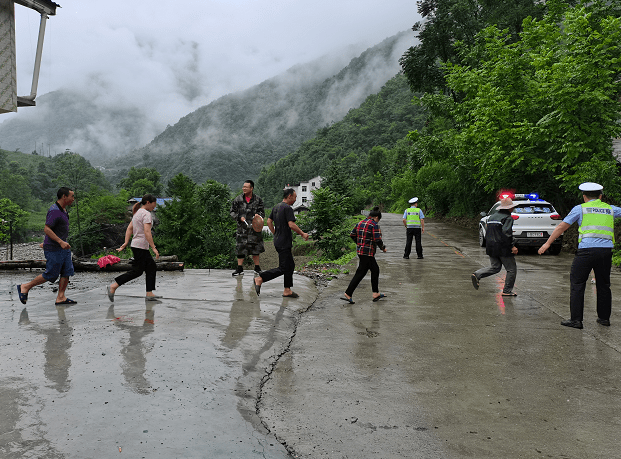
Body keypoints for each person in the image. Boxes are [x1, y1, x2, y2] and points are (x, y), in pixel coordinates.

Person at [538, 182, 621, 329]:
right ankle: (604, 319)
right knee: (604, 285)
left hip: (586, 251)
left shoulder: (580, 209)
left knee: (577, 284)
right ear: (600, 196)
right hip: (605, 252)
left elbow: (562, 226)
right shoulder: (611, 209)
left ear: (584, 197)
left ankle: (576, 320)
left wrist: (547, 244)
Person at [17, 187, 77, 306]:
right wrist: (60, 242)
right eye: (72, 196)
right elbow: (47, 228)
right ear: (64, 196)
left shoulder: (64, 210)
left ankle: (61, 297)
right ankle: (25, 287)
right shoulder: (54, 210)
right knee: (51, 274)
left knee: (67, 271)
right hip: (55, 248)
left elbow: (56, 230)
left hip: (63, 247)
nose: (73, 199)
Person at [253, 188, 308, 297]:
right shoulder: (287, 208)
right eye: (295, 197)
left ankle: (287, 290)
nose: (295, 199)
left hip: (278, 241)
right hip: (284, 242)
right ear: (289, 196)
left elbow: (269, 221)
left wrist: (275, 232)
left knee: (290, 265)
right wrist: (302, 233)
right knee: (283, 267)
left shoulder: (276, 207)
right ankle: (260, 278)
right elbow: (291, 224)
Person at [107, 194, 161, 302]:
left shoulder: (137, 213)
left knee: (151, 267)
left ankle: (149, 293)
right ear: (148, 202)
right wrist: (154, 247)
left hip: (137, 246)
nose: (154, 208)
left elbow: (129, 228)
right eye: (154, 205)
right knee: (138, 271)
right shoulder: (146, 214)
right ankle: (113, 286)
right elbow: (147, 232)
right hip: (140, 246)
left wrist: (126, 242)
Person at [471, 197, 518, 296]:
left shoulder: (492, 217)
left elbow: (488, 232)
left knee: (495, 267)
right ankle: (507, 291)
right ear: (509, 208)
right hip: (503, 247)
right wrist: (512, 246)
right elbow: (506, 233)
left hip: (491, 247)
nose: (512, 209)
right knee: (511, 269)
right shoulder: (507, 218)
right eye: (512, 207)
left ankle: (477, 274)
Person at [341, 207, 387, 304]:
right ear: (376, 217)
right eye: (378, 219)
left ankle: (349, 293)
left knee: (362, 272)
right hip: (368, 252)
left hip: (361, 251)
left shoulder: (360, 223)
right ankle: (374, 293)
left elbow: (352, 235)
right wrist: (383, 248)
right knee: (374, 270)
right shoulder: (374, 225)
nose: (378, 221)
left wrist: (359, 243)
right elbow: (377, 239)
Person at [230, 180, 265, 276]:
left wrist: (259, 216)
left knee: (255, 249)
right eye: (243, 187)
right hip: (242, 229)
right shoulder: (238, 199)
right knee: (240, 248)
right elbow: (232, 212)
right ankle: (239, 268)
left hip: (254, 229)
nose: (244, 188)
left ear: (251, 188)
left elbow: (262, 213)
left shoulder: (258, 200)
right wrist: (238, 217)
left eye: (246, 187)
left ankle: (257, 268)